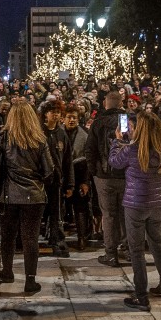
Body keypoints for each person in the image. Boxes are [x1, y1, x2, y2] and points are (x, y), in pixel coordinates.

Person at [0, 100, 54, 294]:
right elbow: (49, 171)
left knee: (8, 236)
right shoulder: (39, 139)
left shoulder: (4, 137)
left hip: (9, 195)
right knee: (31, 238)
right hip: (34, 195)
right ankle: (30, 280)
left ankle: (7, 271)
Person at [110, 111, 161, 311]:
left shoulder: (132, 149)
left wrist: (116, 141)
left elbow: (114, 162)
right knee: (157, 244)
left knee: (136, 250)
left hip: (135, 203)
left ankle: (141, 296)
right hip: (157, 203)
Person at [86, 90, 128, 267]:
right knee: (127, 214)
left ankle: (111, 253)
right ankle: (128, 249)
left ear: (105, 104)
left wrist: (94, 171)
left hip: (104, 176)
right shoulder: (126, 120)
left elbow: (90, 150)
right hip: (125, 174)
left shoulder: (98, 122)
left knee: (109, 215)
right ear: (120, 103)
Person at [39, 100, 73, 257]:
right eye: (52, 111)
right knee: (38, 212)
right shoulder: (39, 132)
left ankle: (57, 240)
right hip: (39, 181)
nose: (55, 114)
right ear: (46, 114)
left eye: (58, 112)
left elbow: (67, 160)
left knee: (56, 213)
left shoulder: (61, 134)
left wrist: (70, 184)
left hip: (56, 181)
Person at [63, 105, 92, 250]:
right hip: (62, 176)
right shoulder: (58, 133)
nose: (72, 120)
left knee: (80, 208)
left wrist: (85, 181)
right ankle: (59, 238)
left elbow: (87, 160)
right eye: (69, 117)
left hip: (79, 173)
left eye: (74, 117)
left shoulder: (84, 135)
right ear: (64, 119)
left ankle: (82, 238)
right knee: (60, 209)